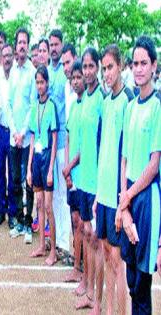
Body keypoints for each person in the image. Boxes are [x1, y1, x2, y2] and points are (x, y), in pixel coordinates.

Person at [118, 35, 160, 315]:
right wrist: (124, 203)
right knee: (131, 278)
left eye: (144, 63)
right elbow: (125, 159)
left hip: (146, 198)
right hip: (130, 195)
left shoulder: (158, 107)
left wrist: (129, 199)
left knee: (142, 284)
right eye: (135, 63)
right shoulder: (131, 107)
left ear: (155, 67)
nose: (139, 69)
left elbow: (154, 163)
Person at [95, 44, 133, 315]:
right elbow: (104, 151)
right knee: (107, 256)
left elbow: (127, 157)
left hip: (118, 197)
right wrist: (98, 194)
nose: (106, 73)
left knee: (119, 264)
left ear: (120, 65)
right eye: (103, 68)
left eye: (110, 67)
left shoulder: (127, 101)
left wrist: (123, 202)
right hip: (104, 194)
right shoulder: (106, 102)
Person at [75, 47, 105, 311]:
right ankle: (86, 285)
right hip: (83, 179)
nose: (87, 71)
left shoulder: (101, 101)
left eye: (90, 66)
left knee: (96, 241)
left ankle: (96, 298)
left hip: (96, 183)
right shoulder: (84, 98)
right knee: (85, 233)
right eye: (84, 67)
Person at [6, 28, 36, 244]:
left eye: (25, 42)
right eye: (19, 43)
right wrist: (14, 130)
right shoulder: (13, 72)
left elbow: (33, 106)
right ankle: (17, 220)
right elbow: (8, 104)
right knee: (15, 179)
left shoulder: (32, 72)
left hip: (26, 140)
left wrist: (23, 132)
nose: (22, 46)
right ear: (16, 46)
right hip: (13, 136)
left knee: (28, 181)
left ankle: (28, 222)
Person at [27, 65, 58, 266]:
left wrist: (50, 169)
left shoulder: (52, 105)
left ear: (47, 83)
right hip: (36, 159)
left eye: (42, 82)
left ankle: (53, 250)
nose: (40, 86)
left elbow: (54, 138)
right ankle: (41, 246)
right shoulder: (34, 106)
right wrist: (29, 167)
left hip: (47, 158)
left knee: (48, 206)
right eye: (37, 82)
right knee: (38, 203)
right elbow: (32, 138)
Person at [48, 29, 70, 262]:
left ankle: (65, 242)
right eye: (51, 45)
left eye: (56, 44)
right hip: (50, 140)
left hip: (64, 139)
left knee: (64, 194)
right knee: (53, 193)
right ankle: (57, 239)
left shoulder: (66, 74)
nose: (54, 48)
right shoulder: (49, 73)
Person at [63, 60, 85, 282]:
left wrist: (70, 166)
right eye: (74, 78)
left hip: (83, 174)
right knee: (74, 220)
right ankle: (77, 266)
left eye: (79, 77)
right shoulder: (74, 105)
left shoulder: (89, 103)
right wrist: (67, 168)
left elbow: (86, 146)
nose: (76, 81)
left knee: (84, 225)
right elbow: (69, 136)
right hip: (72, 174)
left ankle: (84, 270)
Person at [0, 44, 17, 229]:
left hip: (14, 131)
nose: (7, 59)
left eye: (10, 55)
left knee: (13, 173)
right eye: (5, 56)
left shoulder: (17, 76)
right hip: (0, 130)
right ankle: (1, 210)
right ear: (1, 58)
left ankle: (13, 212)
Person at [61, 43, 77, 120]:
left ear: (75, 59)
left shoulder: (85, 86)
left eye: (68, 62)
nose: (65, 68)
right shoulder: (67, 85)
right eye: (63, 64)